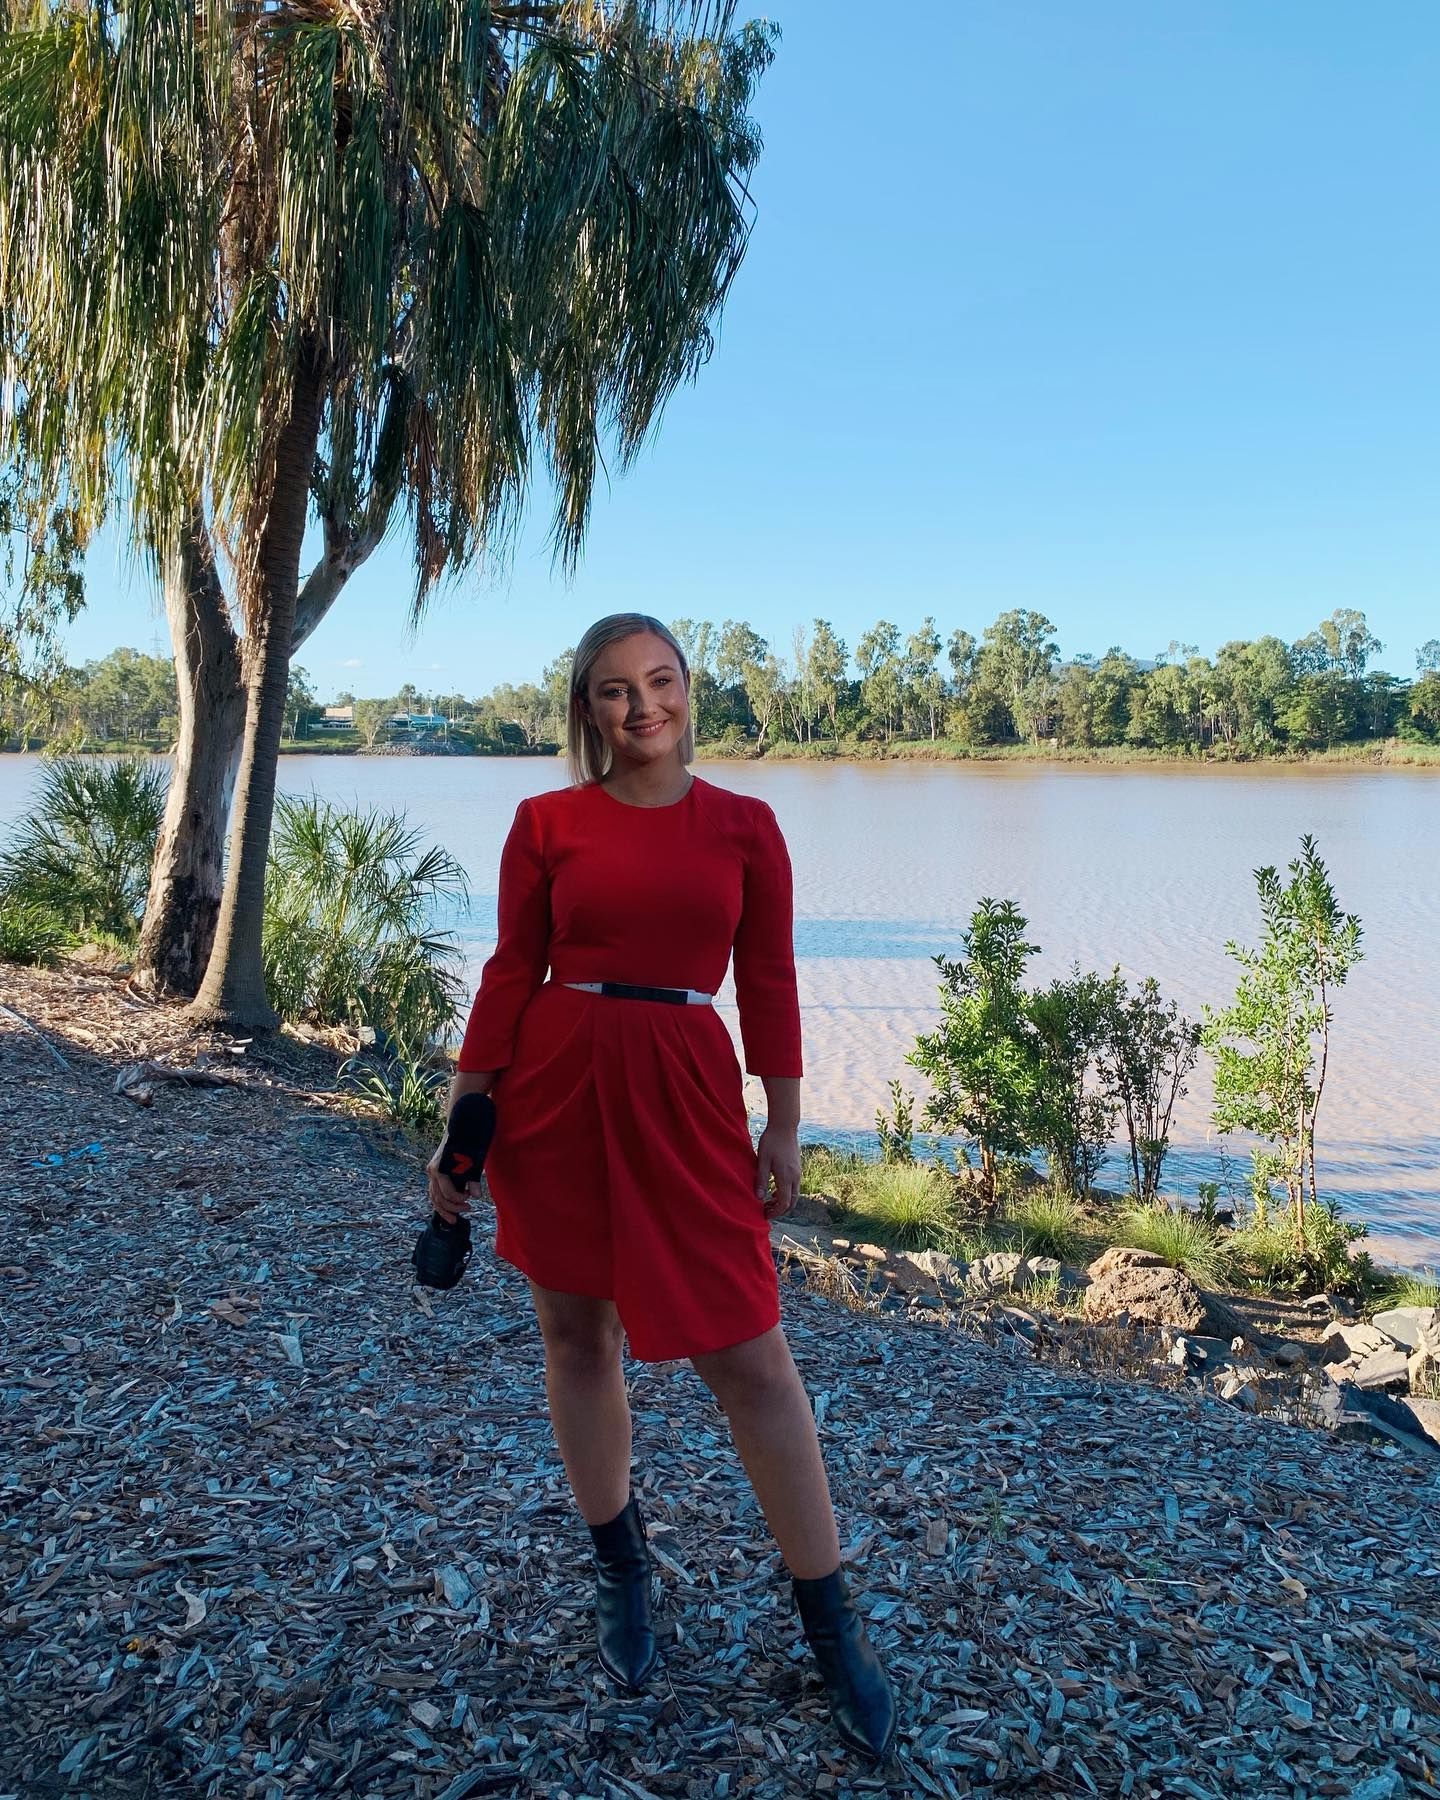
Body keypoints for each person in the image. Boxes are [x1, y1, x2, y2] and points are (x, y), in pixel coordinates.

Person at [427, 613, 897, 1761]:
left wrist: (785, 1120)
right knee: (577, 1336)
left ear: (690, 689)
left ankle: (831, 1626)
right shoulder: (546, 824)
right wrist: (461, 1128)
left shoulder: (746, 827)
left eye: (660, 681)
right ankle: (621, 1568)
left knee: (754, 1359)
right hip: (556, 1090)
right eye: (614, 690)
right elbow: (510, 973)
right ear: (586, 710)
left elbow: (769, 976)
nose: (642, 706)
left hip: (686, 1090)